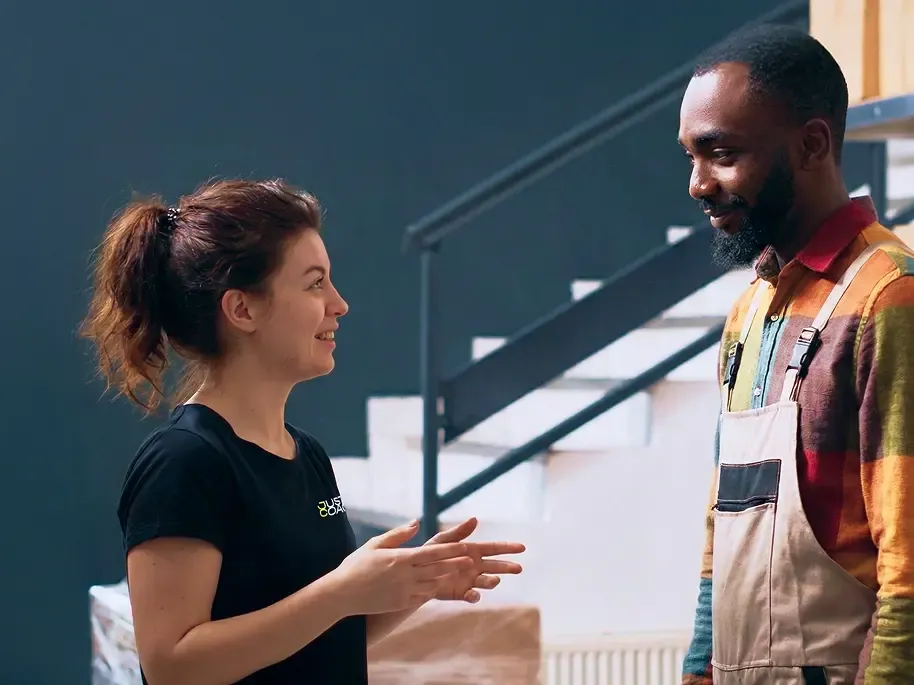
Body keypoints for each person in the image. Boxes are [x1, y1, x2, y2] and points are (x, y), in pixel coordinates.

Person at [80, 178, 526, 685]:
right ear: (243, 309)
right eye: (315, 283)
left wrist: (411, 586)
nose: (339, 304)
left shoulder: (307, 456)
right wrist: (340, 591)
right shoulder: (185, 461)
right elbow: (172, 666)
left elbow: (316, 639)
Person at [677, 24, 914, 685]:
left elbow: (910, 566)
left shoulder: (891, 297)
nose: (698, 184)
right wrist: (699, 671)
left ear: (812, 144)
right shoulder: (748, 312)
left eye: (722, 153)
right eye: (690, 157)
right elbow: (719, 536)